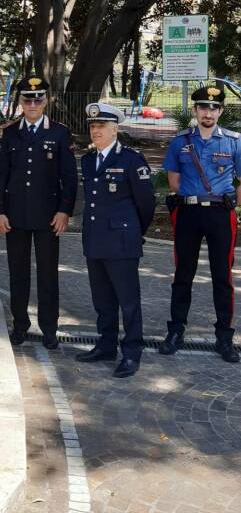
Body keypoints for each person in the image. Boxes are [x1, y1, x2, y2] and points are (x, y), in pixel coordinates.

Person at [0, 76, 77, 349]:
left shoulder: (59, 133)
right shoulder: (10, 132)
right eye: (28, 99)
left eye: (38, 98)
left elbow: (69, 177)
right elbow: (2, 175)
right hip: (15, 216)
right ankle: (20, 326)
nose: (33, 104)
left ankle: (49, 328)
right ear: (21, 102)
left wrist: (65, 211)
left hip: (48, 217)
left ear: (46, 101)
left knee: (48, 274)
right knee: (18, 273)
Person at [159, 85, 241, 363]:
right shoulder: (180, 141)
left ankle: (224, 337)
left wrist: (233, 204)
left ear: (220, 111)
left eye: (214, 107)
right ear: (195, 110)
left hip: (221, 214)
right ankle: (176, 331)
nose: (209, 112)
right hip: (188, 213)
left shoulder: (233, 142)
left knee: (223, 277)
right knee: (183, 274)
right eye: (204, 107)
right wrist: (190, 199)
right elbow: (174, 179)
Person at [76, 102, 155, 378]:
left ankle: (132, 353)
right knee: (102, 300)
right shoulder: (88, 160)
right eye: (92, 126)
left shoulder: (131, 160)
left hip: (122, 242)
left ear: (115, 129)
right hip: (96, 241)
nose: (95, 131)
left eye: (100, 126)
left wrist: (133, 231)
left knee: (128, 301)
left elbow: (146, 204)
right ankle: (106, 344)